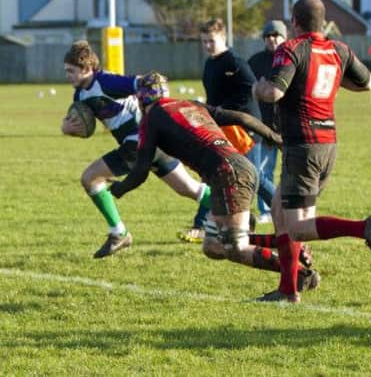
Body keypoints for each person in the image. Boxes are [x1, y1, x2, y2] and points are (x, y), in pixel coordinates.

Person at [109, 72, 320, 291]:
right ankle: (288, 246)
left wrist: (119, 189)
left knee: (235, 247)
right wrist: (274, 137)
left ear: (141, 100)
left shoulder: (150, 119)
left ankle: (299, 273)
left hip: (226, 174)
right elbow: (240, 117)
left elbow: (141, 169)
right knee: (213, 245)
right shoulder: (188, 104)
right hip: (236, 168)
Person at [252, 0, 371, 303]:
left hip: (302, 146)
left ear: (294, 22)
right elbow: (366, 83)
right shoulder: (339, 49)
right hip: (327, 144)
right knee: (278, 209)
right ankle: (288, 289)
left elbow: (274, 91)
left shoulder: (292, 48)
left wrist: (257, 88)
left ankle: (365, 227)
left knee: (298, 227)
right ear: (323, 21)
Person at [61, 40, 211, 258]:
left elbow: (145, 83)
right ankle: (238, 212)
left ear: (87, 69)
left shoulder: (106, 81)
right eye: (66, 71)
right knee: (190, 189)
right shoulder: (80, 94)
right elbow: (84, 127)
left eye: (71, 71)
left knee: (90, 178)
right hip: (154, 143)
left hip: (138, 143)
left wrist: (152, 84)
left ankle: (118, 233)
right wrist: (67, 128)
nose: (67, 76)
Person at [183, 18, 275, 242]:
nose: (207, 45)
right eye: (204, 41)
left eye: (211, 41)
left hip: (243, 128)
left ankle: (283, 208)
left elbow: (250, 92)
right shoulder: (210, 63)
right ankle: (201, 224)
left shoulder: (235, 63)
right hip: (221, 127)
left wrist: (225, 110)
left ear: (223, 38)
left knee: (254, 176)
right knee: (215, 174)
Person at [248, 20, 287, 224]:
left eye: (276, 35)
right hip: (260, 124)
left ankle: (287, 206)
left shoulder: (290, 59)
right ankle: (266, 210)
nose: (272, 39)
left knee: (286, 170)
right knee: (262, 169)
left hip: (285, 124)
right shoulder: (255, 62)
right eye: (268, 36)